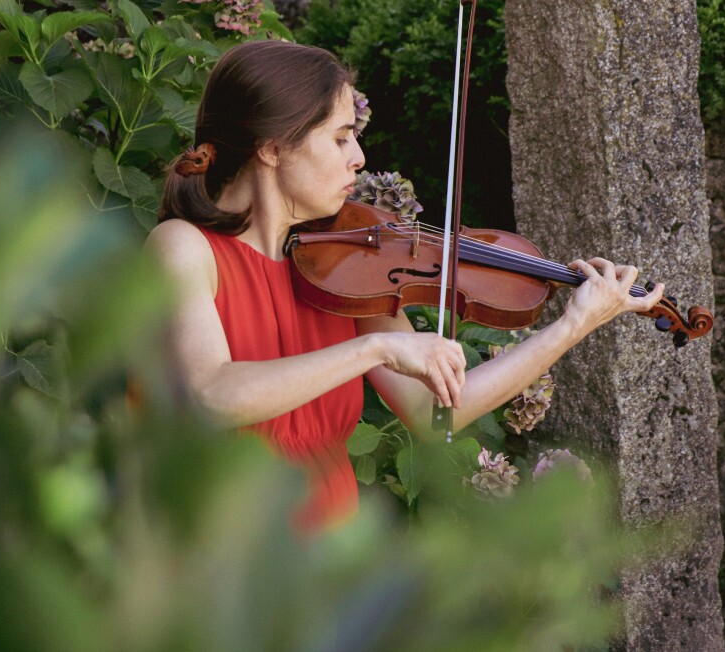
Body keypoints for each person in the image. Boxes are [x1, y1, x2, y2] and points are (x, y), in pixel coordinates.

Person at [147, 40, 665, 532]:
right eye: (341, 136)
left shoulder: (335, 265)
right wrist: (374, 347)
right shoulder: (183, 248)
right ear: (274, 148)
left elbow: (436, 413)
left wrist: (573, 326)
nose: (359, 158)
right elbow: (211, 394)